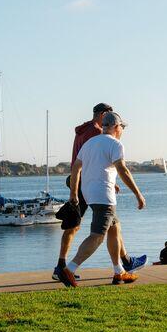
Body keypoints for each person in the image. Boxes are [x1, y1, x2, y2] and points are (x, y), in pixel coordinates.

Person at [53, 103, 146, 281]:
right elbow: (123, 170)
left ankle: (119, 272)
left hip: (89, 193)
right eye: (122, 127)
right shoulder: (115, 144)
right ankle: (69, 269)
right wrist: (138, 194)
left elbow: (75, 169)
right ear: (117, 127)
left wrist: (74, 194)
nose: (122, 131)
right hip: (104, 196)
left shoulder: (89, 143)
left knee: (114, 228)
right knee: (97, 236)